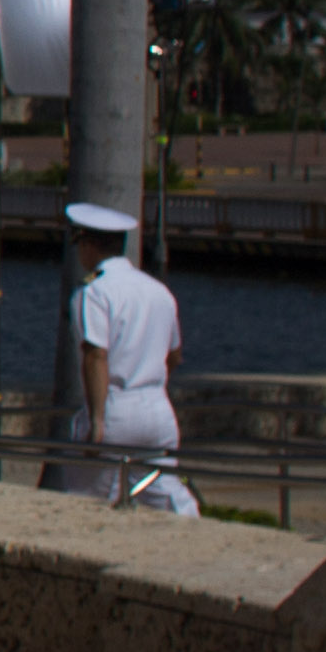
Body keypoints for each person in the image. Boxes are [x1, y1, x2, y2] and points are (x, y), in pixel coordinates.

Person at [61, 200, 196, 514]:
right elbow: (174, 355)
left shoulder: (93, 292)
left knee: (90, 501)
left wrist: (97, 420)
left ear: (89, 244)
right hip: (158, 407)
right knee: (164, 492)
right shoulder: (158, 291)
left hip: (117, 407)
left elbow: (96, 355)